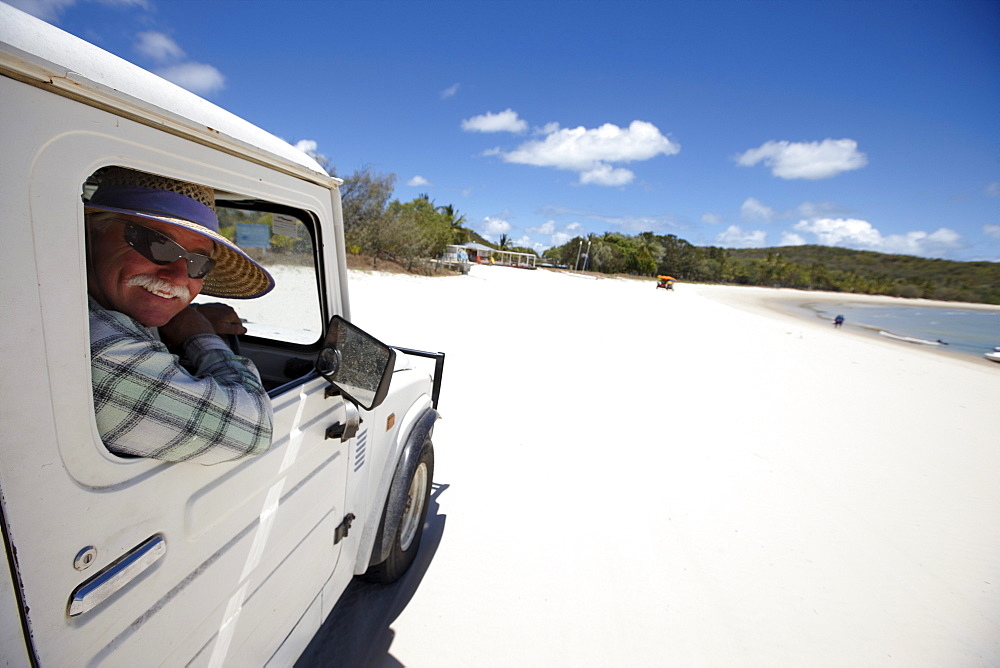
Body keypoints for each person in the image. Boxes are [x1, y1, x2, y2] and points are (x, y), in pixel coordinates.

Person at [84, 167, 276, 464]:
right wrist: (201, 336)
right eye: (157, 243)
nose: (178, 276)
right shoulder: (95, 344)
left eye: (199, 263)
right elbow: (254, 428)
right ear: (88, 233)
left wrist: (185, 315)